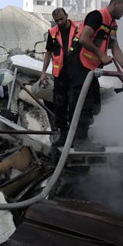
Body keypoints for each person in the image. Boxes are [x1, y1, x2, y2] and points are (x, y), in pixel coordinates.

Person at [68, 0, 123, 151]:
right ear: (116, 3)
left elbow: (115, 47)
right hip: (79, 65)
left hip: (91, 68)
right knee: (84, 103)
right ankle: (81, 141)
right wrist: (101, 55)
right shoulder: (97, 16)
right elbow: (84, 38)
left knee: (95, 104)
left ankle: (80, 137)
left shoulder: (112, 24)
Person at [40, 8, 79, 147]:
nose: (60, 22)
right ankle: (63, 136)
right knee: (60, 106)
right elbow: (48, 53)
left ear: (67, 16)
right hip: (60, 76)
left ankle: (77, 137)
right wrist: (43, 72)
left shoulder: (78, 30)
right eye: (57, 20)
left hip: (76, 75)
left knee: (75, 105)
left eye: (62, 19)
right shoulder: (53, 33)